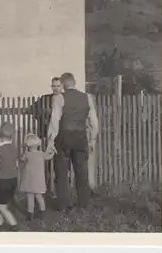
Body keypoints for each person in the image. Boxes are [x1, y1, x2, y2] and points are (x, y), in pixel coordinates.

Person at [46, 73, 99, 211]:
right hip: (81, 137)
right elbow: (94, 121)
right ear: (74, 82)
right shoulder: (87, 97)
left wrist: (51, 140)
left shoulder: (59, 98)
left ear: (63, 85)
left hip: (63, 137)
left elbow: (54, 120)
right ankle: (84, 203)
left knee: (62, 171)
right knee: (82, 170)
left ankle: (63, 205)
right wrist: (92, 139)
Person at [19, 133, 54, 221]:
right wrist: (52, 152)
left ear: (27, 145)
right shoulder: (41, 154)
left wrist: (22, 152)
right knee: (39, 196)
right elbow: (48, 157)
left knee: (30, 196)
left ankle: (30, 213)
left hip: (29, 180)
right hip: (38, 180)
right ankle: (42, 211)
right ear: (38, 144)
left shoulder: (27, 154)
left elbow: (22, 159)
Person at [0, 122, 19, 231]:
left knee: (1, 207)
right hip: (13, 180)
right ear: (12, 136)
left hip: (2, 181)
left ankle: (14, 224)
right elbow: (16, 165)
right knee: (5, 203)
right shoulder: (14, 149)